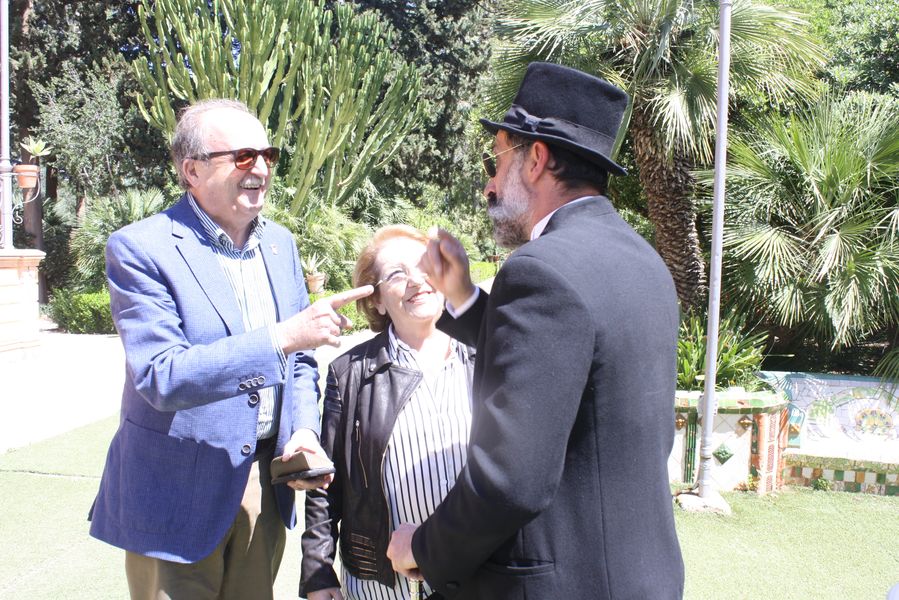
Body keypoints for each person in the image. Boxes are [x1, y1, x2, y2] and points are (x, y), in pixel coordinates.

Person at [386, 62, 685, 599]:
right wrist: (462, 295)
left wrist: (425, 547)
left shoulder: (539, 270)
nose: (489, 184)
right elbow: (558, 362)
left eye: (496, 160)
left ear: (537, 159)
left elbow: (511, 480)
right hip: (638, 576)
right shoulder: (643, 260)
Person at [88, 98, 372, 600]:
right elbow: (162, 376)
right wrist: (282, 337)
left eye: (267, 155)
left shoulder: (280, 245)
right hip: (175, 495)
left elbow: (300, 363)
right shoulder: (141, 248)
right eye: (242, 156)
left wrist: (302, 430)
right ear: (192, 170)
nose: (260, 168)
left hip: (263, 485)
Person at [301, 225, 475, 600]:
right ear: (377, 300)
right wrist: (317, 570)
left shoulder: (485, 355)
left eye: (424, 266)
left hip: (480, 573)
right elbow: (326, 481)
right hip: (384, 584)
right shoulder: (350, 374)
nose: (416, 281)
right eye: (397, 274)